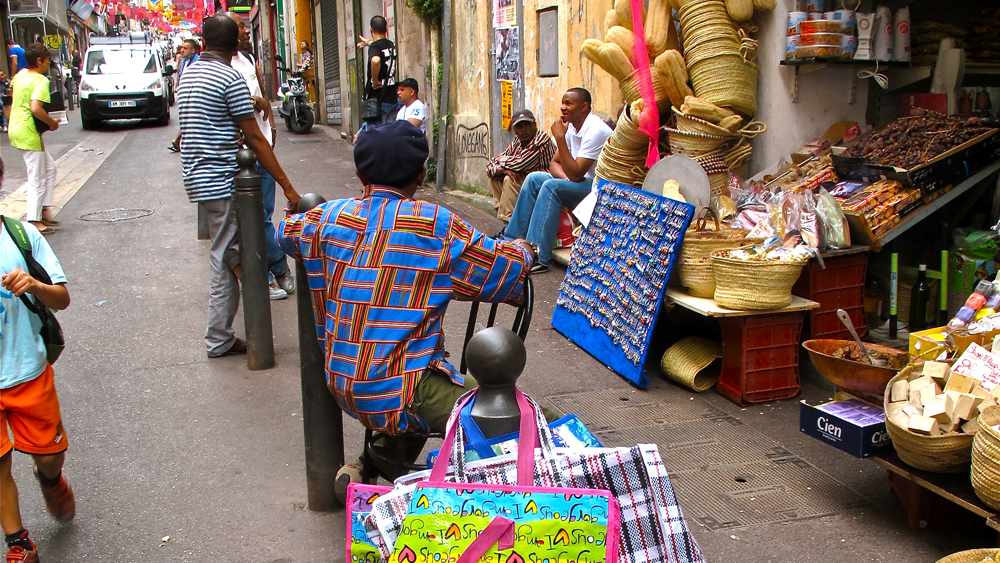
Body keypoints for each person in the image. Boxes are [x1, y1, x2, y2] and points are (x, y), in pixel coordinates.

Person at [278, 120, 538, 493]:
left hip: (341, 382)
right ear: (420, 174)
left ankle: (368, 463)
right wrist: (526, 251)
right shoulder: (436, 226)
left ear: (358, 171)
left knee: (421, 370)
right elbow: (504, 270)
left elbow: (283, 233)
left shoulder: (326, 218)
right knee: (531, 418)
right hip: (403, 389)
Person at [178, 14, 300, 357]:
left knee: (230, 252)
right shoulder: (228, 76)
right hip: (222, 179)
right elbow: (255, 139)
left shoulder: (189, 74)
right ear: (235, 47)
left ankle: (224, 329)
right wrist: (288, 187)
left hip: (199, 177)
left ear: (203, 43)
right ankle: (218, 337)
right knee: (225, 256)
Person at [1, 160, 75, 563]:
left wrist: (34, 284)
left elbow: (62, 299)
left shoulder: (21, 237)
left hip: (27, 371)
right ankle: (18, 542)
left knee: (47, 456)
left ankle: (50, 479)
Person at [503, 88, 612, 273]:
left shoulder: (595, 130)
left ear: (584, 106)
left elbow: (577, 173)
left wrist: (560, 138)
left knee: (551, 187)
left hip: (598, 189)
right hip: (580, 182)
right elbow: (554, 163)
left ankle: (537, 254)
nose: (563, 107)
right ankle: (511, 242)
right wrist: (568, 179)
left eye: (568, 103)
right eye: (562, 102)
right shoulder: (572, 127)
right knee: (534, 178)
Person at [224, 10, 294, 299]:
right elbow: (239, 101)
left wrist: (272, 123)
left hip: (263, 146)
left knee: (263, 213)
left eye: (244, 26)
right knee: (254, 217)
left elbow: (261, 91)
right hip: (245, 154)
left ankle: (275, 269)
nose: (244, 32)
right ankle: (273, 270)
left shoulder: (248, 59)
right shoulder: (223, 67)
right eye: (240, 27)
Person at [8, 44, 61, 236]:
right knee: (36, 177)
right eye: (47, 60)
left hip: (17, 127)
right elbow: (36, 108)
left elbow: (14, 95)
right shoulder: (40, 80)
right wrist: (52, 123)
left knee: (49, 168)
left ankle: (44, 208)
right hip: (28, 131)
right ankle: (34, 220)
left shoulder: (20, 74)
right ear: (39, 61)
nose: (48, 63)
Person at [485, 109, 556, 229]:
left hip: (544, 184)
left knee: (510, 180)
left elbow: (520, 163)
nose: (523, 129)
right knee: (496, 178)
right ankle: (507, 221)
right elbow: (489, 167)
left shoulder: (541, 140)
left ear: (534, 125)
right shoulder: (518, 141)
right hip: (528, 182)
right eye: (519, 126)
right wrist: (502, 170)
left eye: (527, 125)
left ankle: (510, 226)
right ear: (514, 130)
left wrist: (500, 160)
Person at [357, 16, 397, 125]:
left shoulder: (375, 47)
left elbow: (375, 60)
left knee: (376, 135)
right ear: (386, 29)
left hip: (378, 100)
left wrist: (374, 80)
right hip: (392, 98)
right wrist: (367, 42)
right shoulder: (390, 45)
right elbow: (380, 48)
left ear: (371, 30)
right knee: (389, 133)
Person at [168, 39, 201, 153]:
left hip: (192, 96)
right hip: (183, 95)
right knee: (186, 119)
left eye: (185, 48)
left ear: (193, 50)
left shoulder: (197, 62)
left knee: (190, 118)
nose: (182, 50)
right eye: (181, 48)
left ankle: (180, 141)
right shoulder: (183, 61)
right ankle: (179, 140)